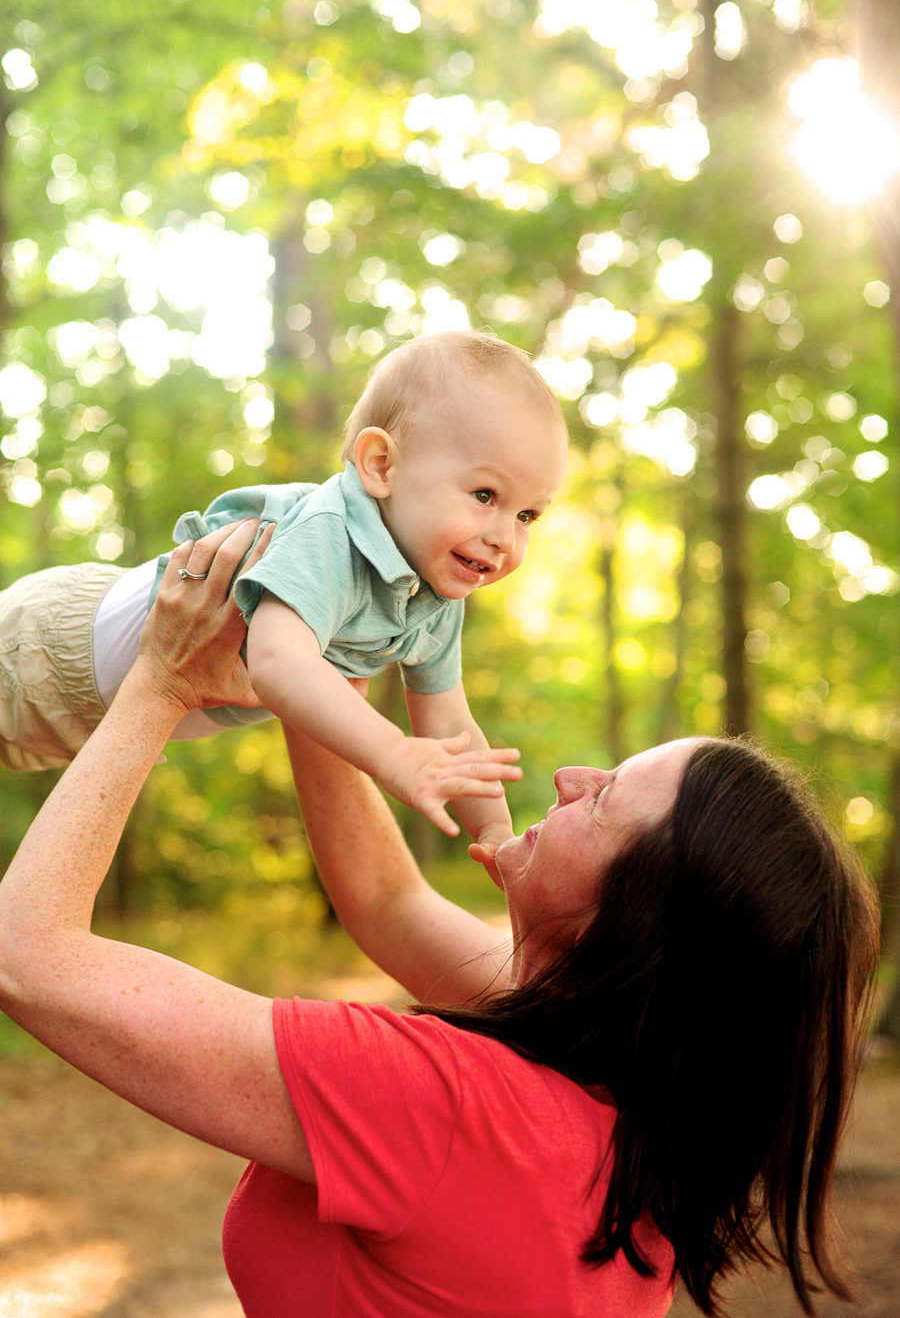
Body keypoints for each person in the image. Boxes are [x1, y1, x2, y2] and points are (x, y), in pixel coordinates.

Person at [0, 522, 879, 1318]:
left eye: (605, 796)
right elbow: (390, 904)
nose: (571, 775)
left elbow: (27, 958)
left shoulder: (452, 1107)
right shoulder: (631, 1090)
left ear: (637, 924)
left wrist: (162, 678)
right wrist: (317, 660)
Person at [0, 330, 568, 861]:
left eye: (526, 515)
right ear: (380, 465)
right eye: (484, 494)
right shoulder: (332, 532)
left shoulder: (433, 600)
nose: (504, 537)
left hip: (85, 723)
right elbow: (277, 660)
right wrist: (392, 753)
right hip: (44, 648)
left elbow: (448, 722)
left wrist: (494, 830)